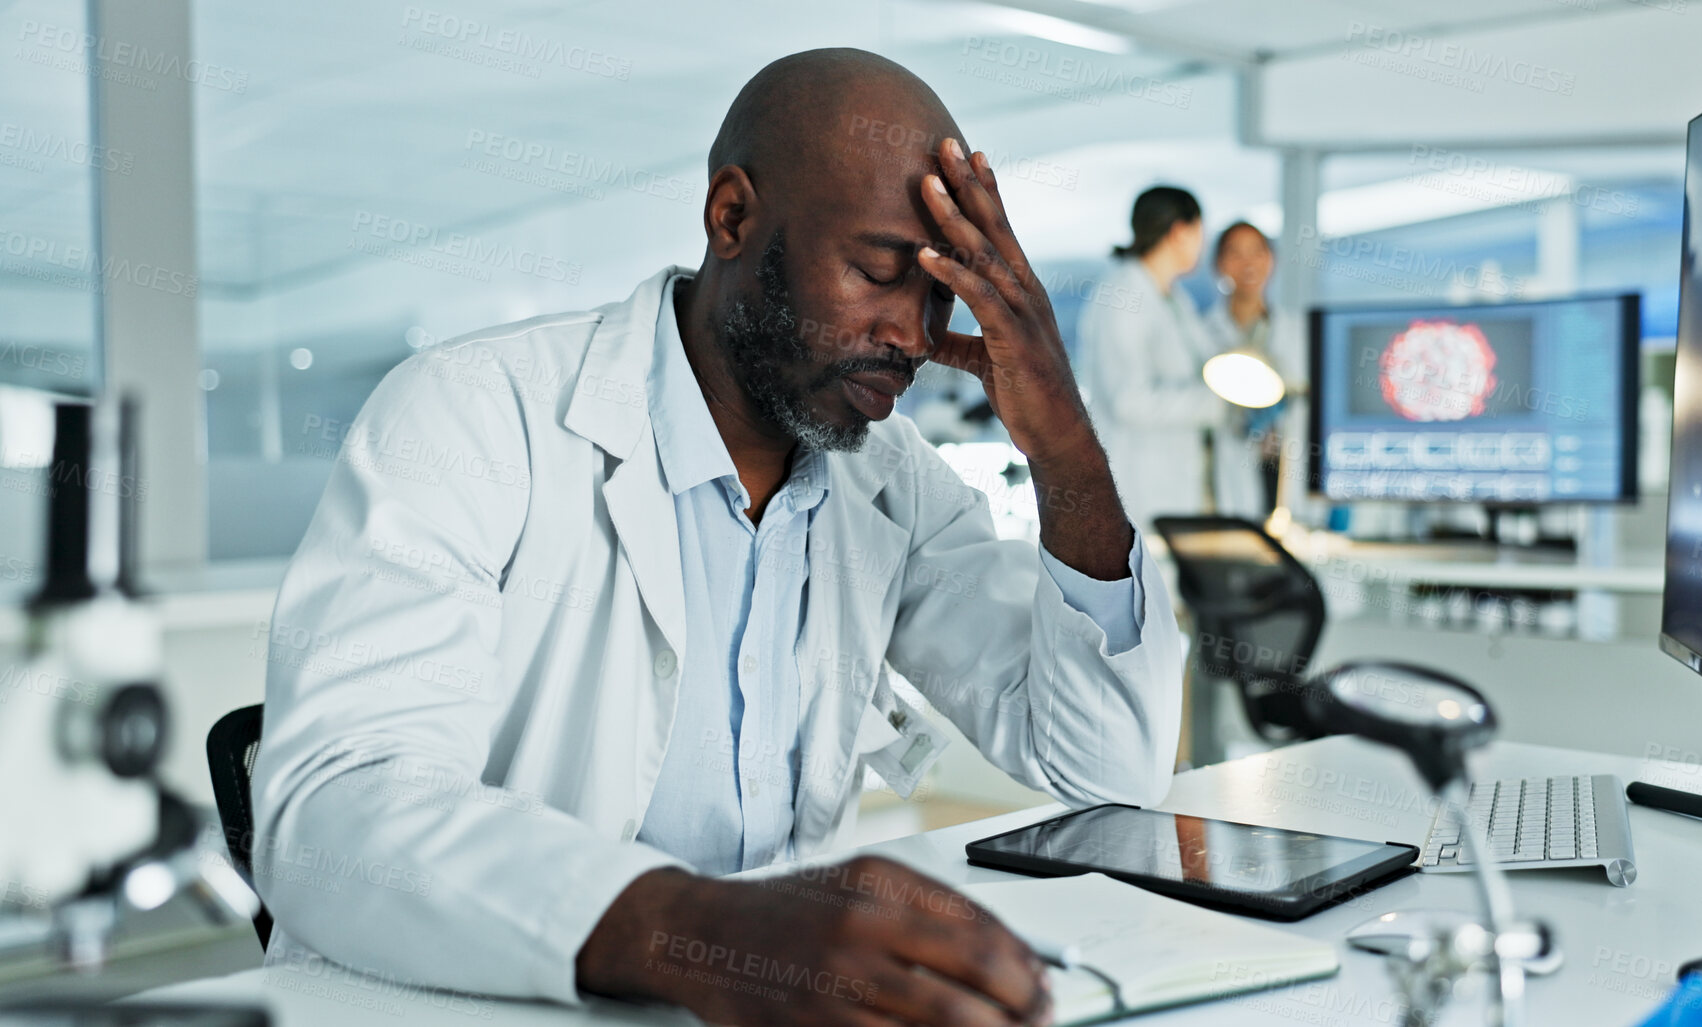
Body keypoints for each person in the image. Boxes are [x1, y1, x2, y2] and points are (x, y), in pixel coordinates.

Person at [253, 48, 1183, 1027]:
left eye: (940, 296)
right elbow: (334, 815)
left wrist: (1066, 446)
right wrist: (705, 934)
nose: (912, 334)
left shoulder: (889, 478)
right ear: (731, 217)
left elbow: (1107, 770)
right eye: (878, 270)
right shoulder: (471, 415)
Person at [1076, 186, 1225, 535]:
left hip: (1172, 486)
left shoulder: (1171, 296)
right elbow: (1129, 401)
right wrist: (1216, 405)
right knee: (1150, 583)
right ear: (1179, 232)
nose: (1202, 244)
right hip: (1139, 485)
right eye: (1200, 232)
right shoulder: (1123, 294)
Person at [1203, 220, 1307, 521]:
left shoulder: (1295, 332)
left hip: (1283, 466)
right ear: (1218, 264)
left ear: (1271, 260)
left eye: (1257, 251)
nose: (1248, 263)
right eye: (1235, 253)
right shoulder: (1203, 334)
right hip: (1224, 476)